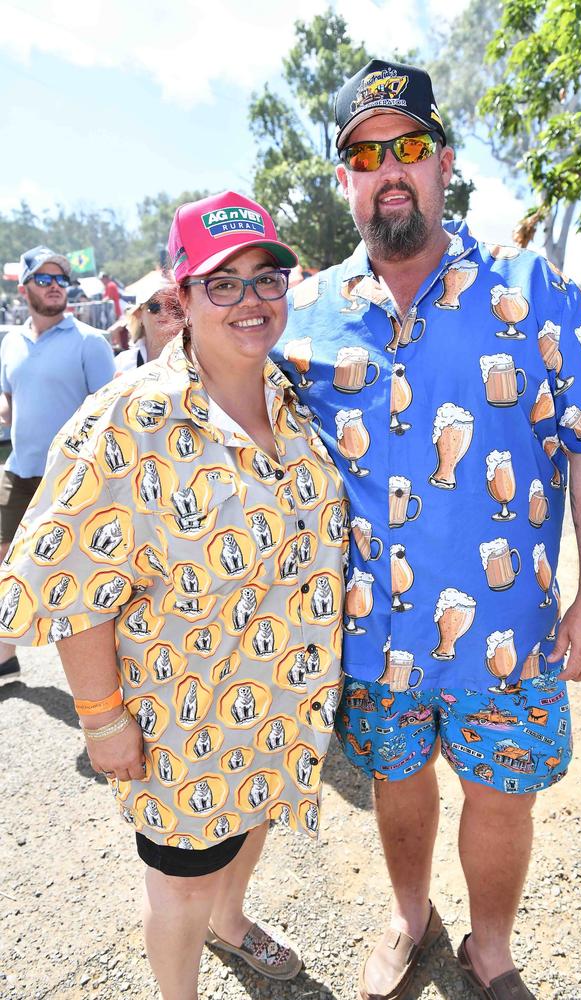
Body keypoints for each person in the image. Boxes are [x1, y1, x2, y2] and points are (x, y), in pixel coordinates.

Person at [273, 59, 581, 1000]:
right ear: (343, 178)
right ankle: (408, 914)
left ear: (446, 162)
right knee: (399, 785)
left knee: (504, 794)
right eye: (365, 152)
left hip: (508, 629)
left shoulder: (532, 291)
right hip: (372, 633)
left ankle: (492, 947)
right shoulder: (303, 317)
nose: (390, 166)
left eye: (412, 146)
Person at [0, 192, 347, 1000]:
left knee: (253, 823)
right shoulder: (128, 418)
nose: (250, 301)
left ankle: (234, 924)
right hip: (180, 724)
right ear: (181, 299)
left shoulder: (295, 400)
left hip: (276, 700)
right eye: (222, 284)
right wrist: (100, 716)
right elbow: (71, 578)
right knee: (182, 884)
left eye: (266, 278)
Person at [0, 245, 115, 682]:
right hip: (18, 469)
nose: (54, 287)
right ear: (25, 286)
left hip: (71, 480)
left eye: (60, 280)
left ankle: (101, 681)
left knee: (82, 578)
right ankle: (4, 656)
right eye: (44, 280)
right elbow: (10, 406)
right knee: (6, 563)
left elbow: (111, 417)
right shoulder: (11, 341)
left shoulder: (90, 342)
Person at [114, 276, 184, 372]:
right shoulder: (122, 364)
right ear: (138, 314)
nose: (164, 312)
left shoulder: (197, 360)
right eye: (154, 306)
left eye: (172, 305)